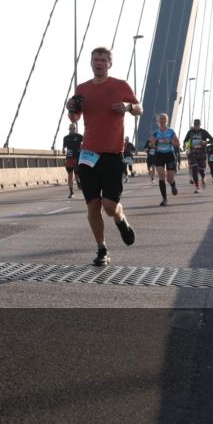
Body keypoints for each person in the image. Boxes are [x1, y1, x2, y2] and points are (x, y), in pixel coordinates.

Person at [65, 46, 141, 267]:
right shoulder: (82, 88)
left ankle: (120, 218)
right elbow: (74, 117)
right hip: (88, 154)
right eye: (96, 59)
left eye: (103, 60)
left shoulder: (120, 85)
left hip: (112, 155)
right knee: (92, 206)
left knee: (109, 206)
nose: (99, 63)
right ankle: (102, 248)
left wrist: (128, 107)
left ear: (110, 64)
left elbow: (140, 108)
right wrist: (70, 108)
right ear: (91, 63)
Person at [152, 113, 181, 206]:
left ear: (167, 121)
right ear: (158, 121)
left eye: (164, 119)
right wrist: (155, 142)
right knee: (161, 176)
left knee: (169, 178)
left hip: (169, 155)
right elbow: (151, 145)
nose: (162, 120)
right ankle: (164, 199)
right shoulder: (155, 133)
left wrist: (170, 141)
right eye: (161, 119)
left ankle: (173, 185)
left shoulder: (171, 131)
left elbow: (178, 143)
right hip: (159, 154)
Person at [181, 119, 213, 194]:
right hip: (193, 153)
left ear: (200, 125)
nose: (196, 126)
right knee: (194, 169)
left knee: (201, 171)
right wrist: (184, 145)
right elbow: (185, 140)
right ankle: (197, 187)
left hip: (202, 153)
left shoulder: (203, 132)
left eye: (198, 125)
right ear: (194, 125)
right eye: (195, 125)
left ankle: (203, 178)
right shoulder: (190, 132)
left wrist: (205, 142)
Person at [62, 123, 84, 198]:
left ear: (75, 129)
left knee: (78, 174)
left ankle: (80, 183)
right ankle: (71, 192)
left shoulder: (80, 136)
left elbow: (85, 143)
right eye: (71, 128)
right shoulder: (66, 138)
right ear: (69, 129)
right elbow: (64, 147)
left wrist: (83, 148)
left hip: (78, 158)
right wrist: (63, 150)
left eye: (73, 128)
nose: (72, 130)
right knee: (70, 175)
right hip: (69, 158)